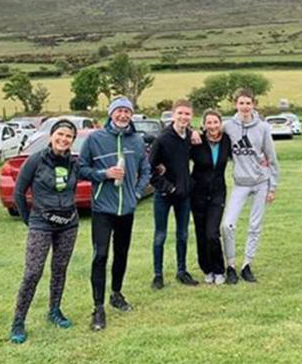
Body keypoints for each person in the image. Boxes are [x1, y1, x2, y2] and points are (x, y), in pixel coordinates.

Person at [79, 97, 151, 331]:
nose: (123, 115)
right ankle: (98, 308)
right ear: (111, 114)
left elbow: (145, 170)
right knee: (100, 255)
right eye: (119, 111)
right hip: (102, 208)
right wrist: (104, 174)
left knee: (121, 254)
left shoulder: (137, 141)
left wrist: (136, 193)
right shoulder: (95, 139)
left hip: (127, 209)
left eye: (127, 112)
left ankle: (116, 294)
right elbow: (81, 169)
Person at [9, 120, 80, 344]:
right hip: (41, 223)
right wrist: (29, 221)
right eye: (60, 134)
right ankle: (18, 321)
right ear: (51, 136)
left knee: (59, 269)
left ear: (72, 140)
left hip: (69, 223)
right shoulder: (36, 160)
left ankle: (54, 311)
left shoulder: (74, 162)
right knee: (32, 273)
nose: (64, 139)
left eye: (69, 136)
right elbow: (19, 193)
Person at [221, 88, 279, 284]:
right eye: (241, 103)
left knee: (254, 226)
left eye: (248, 103)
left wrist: (273, 187)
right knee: (227, 225)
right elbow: (211, 133)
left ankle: (247, 265)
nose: (245, 107)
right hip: (240, 183)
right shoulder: (228, 126)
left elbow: (271, 158)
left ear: (253, 104)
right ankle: (230, 266)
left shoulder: (263, 128)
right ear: (236, 104)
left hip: (261, 182)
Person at [148, 99, 199, 289]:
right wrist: (168, 187)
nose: (184, 117)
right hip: (164, 195)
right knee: (160, 235)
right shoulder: (162, 139)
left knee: (183, 234)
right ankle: (158, 275)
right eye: (180, 113)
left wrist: (186, 185)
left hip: (184, 195)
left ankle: (182, 271)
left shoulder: (188, 137)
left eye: (187, 114)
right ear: (173, 114)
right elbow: (149, 170)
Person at [190, 109, 231, 284]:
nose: (213, 126)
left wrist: (262, 160)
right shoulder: (196, 141)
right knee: (201, 233)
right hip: (197, 193)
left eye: (215, 122)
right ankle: (206, 269)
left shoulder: (227, 140)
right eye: (209, 123)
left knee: (212, 233)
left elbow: (245, 151)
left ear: (220, 123)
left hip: (217, 193)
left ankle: (219, 269)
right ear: (204, 125)